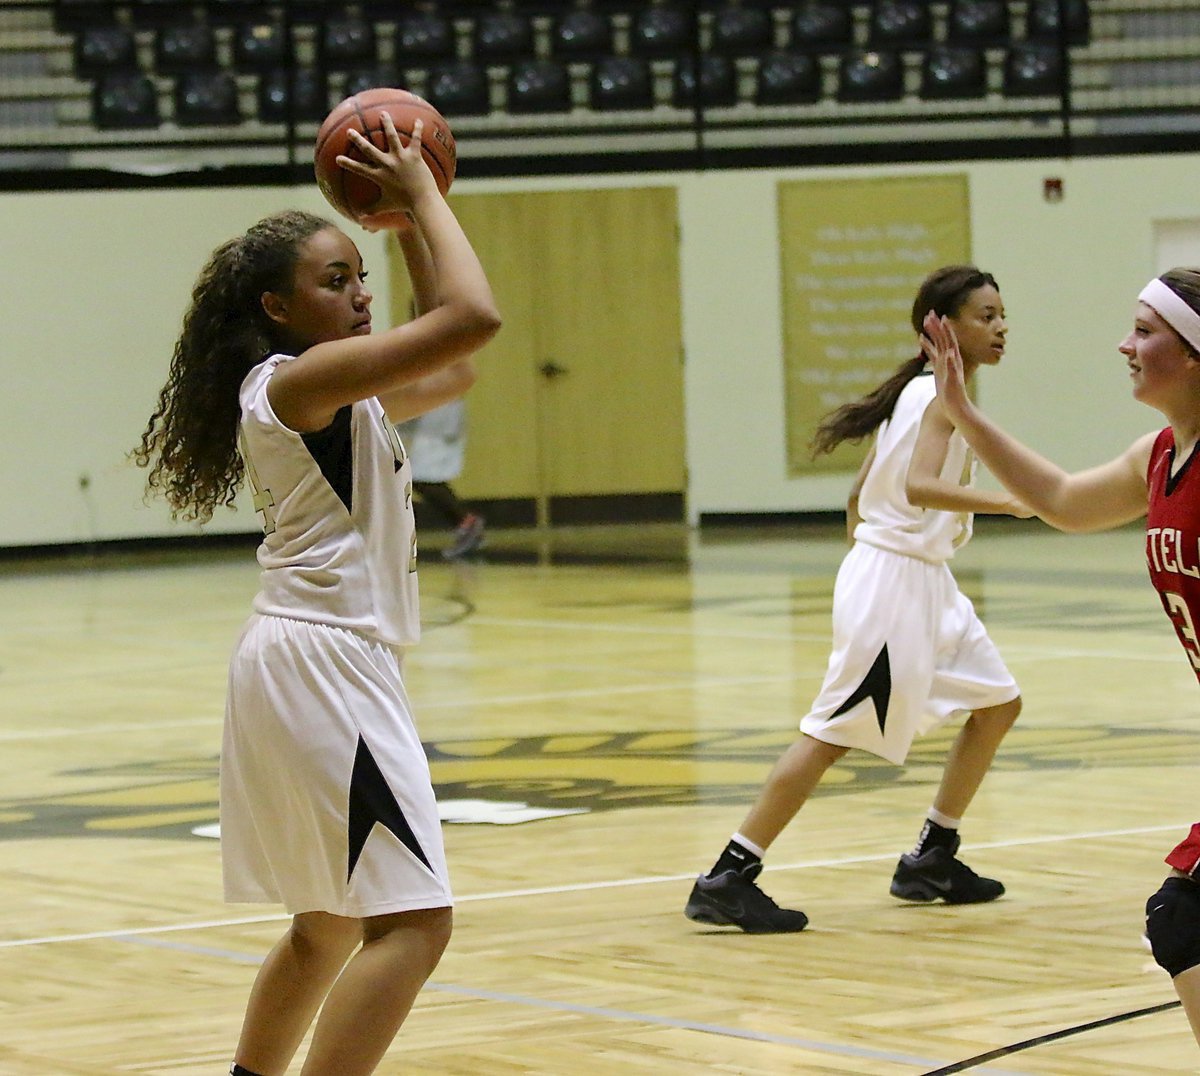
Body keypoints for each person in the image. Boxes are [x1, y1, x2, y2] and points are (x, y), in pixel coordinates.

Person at [133, 113, 500, 1076]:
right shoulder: (301, 382)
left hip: (302, 659)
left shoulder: (329, 388)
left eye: (360, 276)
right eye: (335, 281)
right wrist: (421, 193)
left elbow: (453, 364)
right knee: (416, 926)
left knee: (329, 925)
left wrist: (406, 228)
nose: (360, 295)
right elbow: (474, 319)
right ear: (278, 308)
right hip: (324, 663)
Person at [685, 265, 1030, 934]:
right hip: (898, 580)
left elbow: (860, 491)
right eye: (985, 316)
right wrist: (1005, 501)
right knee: (833, 732)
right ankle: (729, 873)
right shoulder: (933, 396)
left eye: (1001, 314)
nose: (1000, 326)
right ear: (942, 327)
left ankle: (932, 857)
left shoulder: (920, 392)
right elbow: (918, 487)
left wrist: (870, 557)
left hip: (917, 577)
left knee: (997, 704)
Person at [921, 267, 1200, 1046]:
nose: (1126, 344)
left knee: (1184, 922)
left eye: (1146, 331)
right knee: (1183, 925)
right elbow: (1065, 501)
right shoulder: (1159, 455)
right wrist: (963, 416)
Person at [395, 398, 486, 559]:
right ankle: (465, 522)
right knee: (414, 474)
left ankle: (466, 521)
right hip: (432, 410)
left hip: (435, 413)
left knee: (419, 475)